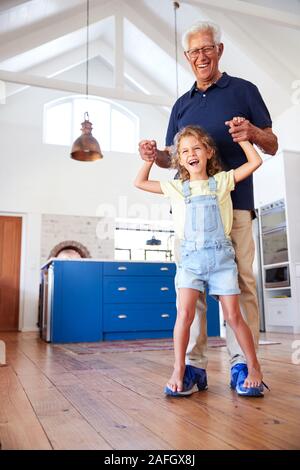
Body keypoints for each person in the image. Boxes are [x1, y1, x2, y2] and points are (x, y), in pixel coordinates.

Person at [138, 20, 278, 397]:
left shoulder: (245, 90)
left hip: (237, 204)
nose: (201, 56)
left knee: (242, 285)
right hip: (190, 216)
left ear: (219, 50)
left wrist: (252, 133)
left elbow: (272, 143)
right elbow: (172, 160)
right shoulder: (181, 104)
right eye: (194, 51)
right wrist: (156, 157)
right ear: (187, 57)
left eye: (207, 48)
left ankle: (241, 365)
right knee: (192, 292)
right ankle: (193, 367)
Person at [135, 124, 268, 396]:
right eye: (184, 151)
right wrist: (149, 161)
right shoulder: (176, 187)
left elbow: (255, 161)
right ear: (179, 160)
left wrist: (244, 139)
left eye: (196, 148)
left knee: (233, 316)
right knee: (184, 315)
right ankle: (179, 369)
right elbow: (139, 183)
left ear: (208, 152)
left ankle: (253, 366)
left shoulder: (221, 181)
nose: (191, 153)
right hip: (190, 262)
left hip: (221, 260)